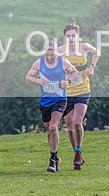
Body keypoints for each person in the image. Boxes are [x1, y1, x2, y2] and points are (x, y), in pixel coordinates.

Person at [26, 41, 77, 173]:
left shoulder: (63, 62)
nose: (49, 57)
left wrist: (67, 81)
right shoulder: (38, 63)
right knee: (49, 131)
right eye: (47, 54)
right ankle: (56, 157)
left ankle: (52, 160)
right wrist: (38, 81)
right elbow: (28, 77)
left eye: (52, 54)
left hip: (60, 99)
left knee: (54, 127)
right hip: (45, 101)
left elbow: (74, 72)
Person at [58, 22, 100, 171]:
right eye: (68, 36)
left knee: (77, 122)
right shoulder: (60, 52)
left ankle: (79, 150)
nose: (71, 39)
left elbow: (97, 52)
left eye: (73, 36)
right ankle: (77, 154)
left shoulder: (85, 47)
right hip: (66, 93)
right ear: (64, 37)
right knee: (69, 128)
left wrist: (91, 67)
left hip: (82, 90)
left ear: (78, 36)